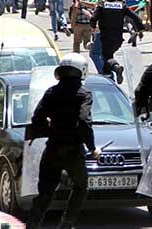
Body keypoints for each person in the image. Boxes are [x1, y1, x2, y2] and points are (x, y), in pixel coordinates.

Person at [25, 54, 100, 229]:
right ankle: (67, 224)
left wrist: (48, 126)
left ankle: (33, 224)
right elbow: (84, 121)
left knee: (45, 192)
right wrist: (93, 147)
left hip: (52, 148)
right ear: (81, 71)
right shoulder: (84, 93)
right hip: (73, 151)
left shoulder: (51, 92)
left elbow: (37, 118)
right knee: (81, 187)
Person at [89, 0, 144, 81]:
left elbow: (93, 19)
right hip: (118, 39)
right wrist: (140, 29)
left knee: (106, 58)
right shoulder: (122, 5)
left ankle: (115, 69)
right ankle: (110, 76)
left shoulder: (102, 5)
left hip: (106, 38)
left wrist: (93, 27)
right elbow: (135, 17)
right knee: (107, 57)